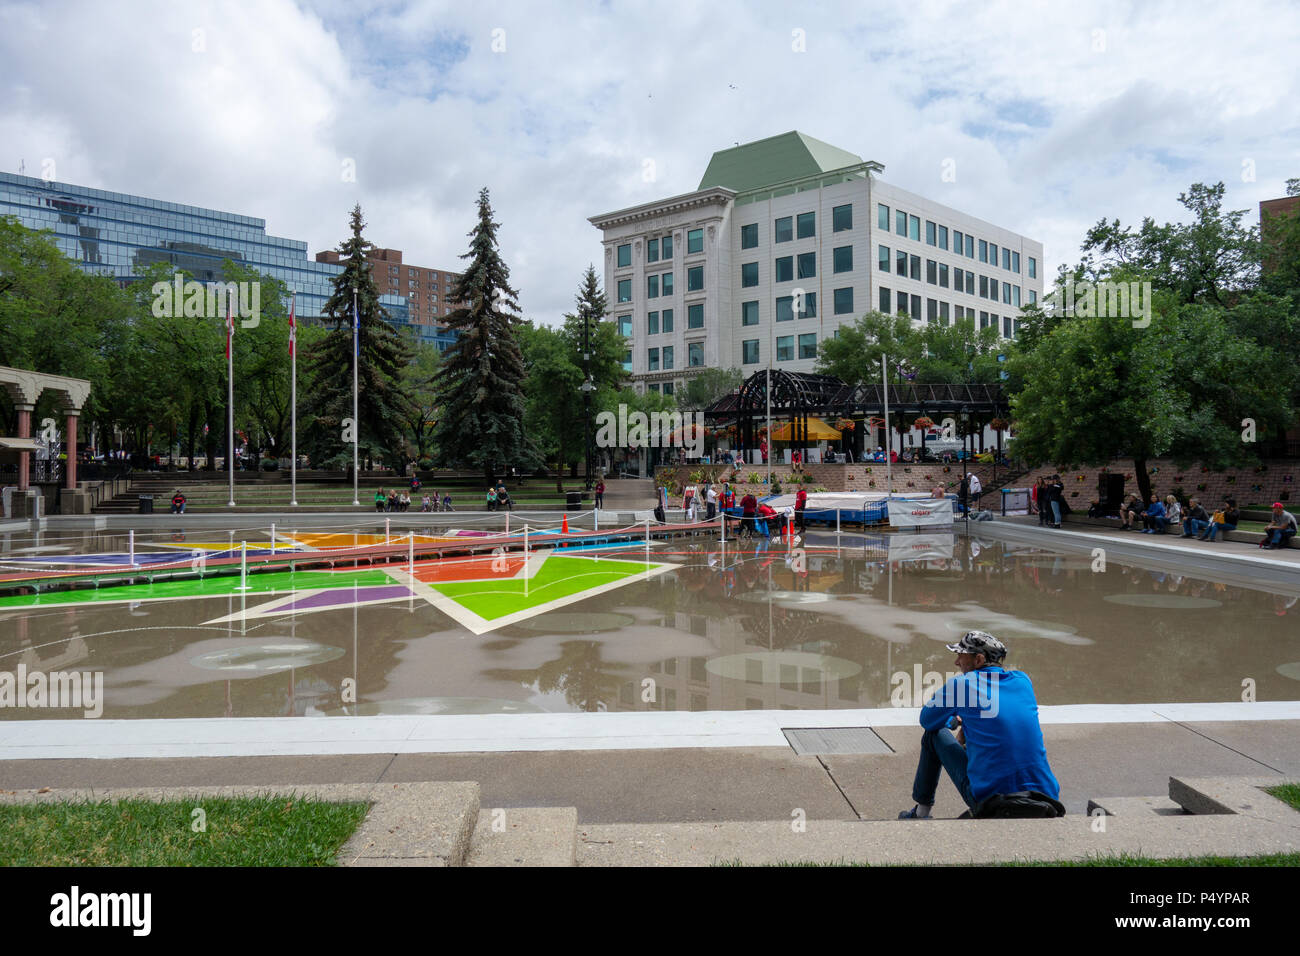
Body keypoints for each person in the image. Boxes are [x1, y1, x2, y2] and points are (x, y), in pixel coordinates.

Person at [899, 630, 1060, 820]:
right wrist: (966, 719)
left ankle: (921, 812)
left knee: (933, 735)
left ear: (979, 660)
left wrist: (952, 722)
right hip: (1046, 797)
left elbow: (927, 720)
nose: (957, 662)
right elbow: (998, 715)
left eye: (961, 655)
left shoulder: (962, 684)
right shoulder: (1023, 681)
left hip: (994, 800)